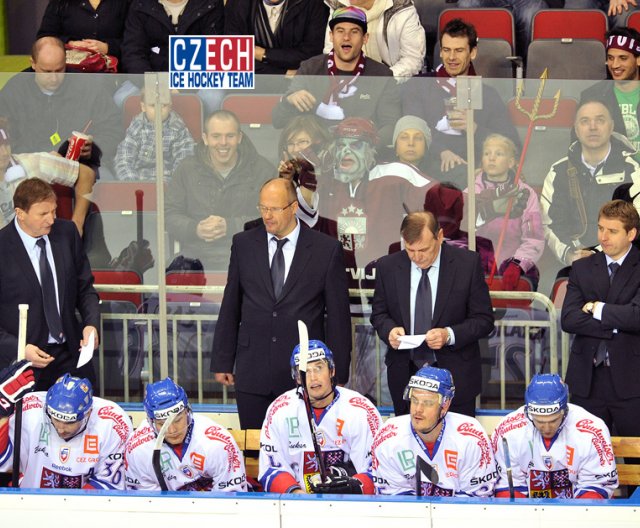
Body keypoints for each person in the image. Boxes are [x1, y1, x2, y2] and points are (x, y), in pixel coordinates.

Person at [211, 178, 351, 429]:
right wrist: (222, 359)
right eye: (262, 208)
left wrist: (337, 371)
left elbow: (339, 317)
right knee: (255, 446)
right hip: (252, 370)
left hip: (304, 374)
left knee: (303, 449)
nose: (267, 215)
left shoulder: (325, 249)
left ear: (293, 207)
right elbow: (231, 303)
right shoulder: (243, 244)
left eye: (274, 209)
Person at [370, 211, 494, 417]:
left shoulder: (467, 264)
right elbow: (379, 314)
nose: (417, 257)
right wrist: (390, 330)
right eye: (410, 250)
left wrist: (449, 335)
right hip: (405, 376)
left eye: (424, 249)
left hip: (455, 377)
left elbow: (484, 319)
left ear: (440, 236)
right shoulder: (388, 267)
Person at [0, 178, 100, 390]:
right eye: (43, 214)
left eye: (53, 211)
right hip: (21, 365)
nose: (51, 219)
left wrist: (91, 324)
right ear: (20, 213)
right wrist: (19, 349)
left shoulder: (67, 234)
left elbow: (85, 288)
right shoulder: (2, 248)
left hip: (70, 355)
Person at [402, 18, 520, 188]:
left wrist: (475, 129)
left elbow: (510, 142)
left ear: (472, 53)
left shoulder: (487, 94)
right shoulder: (419, 85)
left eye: (458, 50)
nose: (451, 57)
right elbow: (408, 129)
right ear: (440, 52)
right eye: (446, 50)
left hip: (474, 172)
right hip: (426, 166)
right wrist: (441, 151)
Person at [561, 200, 640, 440]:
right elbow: (569, 319)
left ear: (632, 234)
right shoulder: (582, 267)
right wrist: (616, 324)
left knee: (636, 458)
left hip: (632, 381)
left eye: (612, 231)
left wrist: (596, 308)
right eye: (600, 228)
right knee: (584, 455)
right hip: (586, 380)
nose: (603, 237)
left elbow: (637, 317)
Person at [259, 340, 381, 494]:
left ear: (332, 371)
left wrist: (352, 488)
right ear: (297, 378)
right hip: (297, 505)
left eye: (318, 368)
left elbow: (377, 470)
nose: (313, 377)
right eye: (305, 371)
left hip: (349, 503)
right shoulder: (280, 410)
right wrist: (298, 496)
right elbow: (271, 468)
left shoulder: (361, 410)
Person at [312, 117, 432, 268]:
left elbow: (451, 205)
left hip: (386, 280)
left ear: (371, 151)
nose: (346, 151)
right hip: (341, 280)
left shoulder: (396, 174)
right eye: (341, 145)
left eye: (355, 145)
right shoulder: (325, 183)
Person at [271, 6, 402, 146]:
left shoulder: (382, 75)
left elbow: (390, 126)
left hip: (359, 154)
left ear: (365, 38)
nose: (346, 37)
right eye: (340, 31)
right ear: (331, 36)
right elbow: (278, 121)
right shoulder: (310, 68)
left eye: (354, 32)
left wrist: (363, 147)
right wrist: (288, 100)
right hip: (315, 153)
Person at [165, 110, 275, 270]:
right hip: (194, 255)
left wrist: (232, 227)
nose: (223, 142)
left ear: (239, 137)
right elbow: (169, 214)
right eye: (216, 136)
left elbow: (273, 217)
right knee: (165, 284)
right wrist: (195, 229)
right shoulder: (186, 169)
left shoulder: (263, 171)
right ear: (205, 138)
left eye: (230, 136)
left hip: (248, 253)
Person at [541, 99, 640, 267]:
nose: (592, 127)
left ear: (611, 126)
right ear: (576, 129)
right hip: (575, 264)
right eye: (585, 121)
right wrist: (570, 255)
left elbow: (635, 224)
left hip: (622, 265)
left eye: (600, 120)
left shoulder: (633, 170)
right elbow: (551, 223)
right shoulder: (558, 172)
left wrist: (597, 254)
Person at [0, 37, 122, 171]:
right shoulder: (14, 91)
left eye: (59, 70)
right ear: (33, 63)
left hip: (82, 166)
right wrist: (40, 158)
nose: (53, 78)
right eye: (46, 71)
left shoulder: (88, 86)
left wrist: (95, 148)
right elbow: (4, 137)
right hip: (28, 167)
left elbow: (114, 129)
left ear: (66, 62)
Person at [371, 366, 496, 496]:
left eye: (428, 403)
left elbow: (479, 504)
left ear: (445, 405)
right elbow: (393, 506)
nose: (418, 409)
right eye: (414, 400)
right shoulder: (389, 436)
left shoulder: (472, 437)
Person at [0, 370, 133, 489]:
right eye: (56, 419)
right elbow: (2, 460)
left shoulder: (112, 422)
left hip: (85, 507)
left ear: (88, 413)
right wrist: (2, 412)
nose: (61, 428)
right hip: (31, 500)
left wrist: (71, 506)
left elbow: (108, 483)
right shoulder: (30, 410)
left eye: (70, 422)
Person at [492, 373, 617, 499]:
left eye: (553, 421)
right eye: (539, 422)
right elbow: (509, 487)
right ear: (528, 412)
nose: (546, 429)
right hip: (530, 510)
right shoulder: (508, 431)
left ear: (564, 411)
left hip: (576, 510)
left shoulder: (592, 430)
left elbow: (595, 486)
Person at [125, 377, 246, 491]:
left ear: (188, 412)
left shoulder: (217, 443)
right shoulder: (138, 448)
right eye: (162, 424)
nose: (172, 430)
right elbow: (146, 503)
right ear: (151, 422)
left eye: (177, 420)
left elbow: (231, 500)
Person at [0, 117, 96, 236]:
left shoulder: (32, 163)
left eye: (6, 145)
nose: (4, 152)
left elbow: (86, 174)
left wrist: (76, 225)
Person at [473, 134, 544, 290]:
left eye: (499, 154)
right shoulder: (470, 192)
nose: (491, 158)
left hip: (511, 269)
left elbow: (534, 238)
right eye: (487, 153)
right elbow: (459, 235)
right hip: (476, 269)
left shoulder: (526, 193)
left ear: (511, 162)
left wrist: (517, 264)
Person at [322, 0, 426, 79]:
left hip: (391, 82)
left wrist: (381, 80)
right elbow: (330, 51)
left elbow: (413, 60)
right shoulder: (339, 6)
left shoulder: (402, 9)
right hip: (348, 81)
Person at [224, 0, 329, 77]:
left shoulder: (313, 4)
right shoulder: (237, 4)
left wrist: (263, 54)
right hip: (254, 80)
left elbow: (311, 54)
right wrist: (284, 73)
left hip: (300, 81)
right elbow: (232, 57)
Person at [579, 27, 640, 157]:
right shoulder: (592, 95)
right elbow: (579, 146)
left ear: (638, 60)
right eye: (611, 58)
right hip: (612, 174)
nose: (615, 65)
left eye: (623, 58)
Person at [121, 0, 224, 73]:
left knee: (212, 97)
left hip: (197, 79)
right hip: (151, 77)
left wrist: (180, 87)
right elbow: (133, 52)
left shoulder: (211, 4)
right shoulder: (140, 5)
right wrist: (152, 85)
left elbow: (213, 53)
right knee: (123, 97)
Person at [114, 89, 195, 182]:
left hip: (167, 181)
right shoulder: (136, 128)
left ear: (170, 106)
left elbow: (184, 159)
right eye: (153, 105)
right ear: (143, 107)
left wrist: (175, 184)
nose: (158, 110)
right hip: (138, 180)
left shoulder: (178, 129)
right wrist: (132, 184)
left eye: (163, 105)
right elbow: (123, 159)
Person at [37, 0, 131, 63]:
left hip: (115, 77)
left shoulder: (126, 3)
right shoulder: (60, 2)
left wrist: (107, 48)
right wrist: (70, 44)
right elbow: (45, 38)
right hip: (69, 75)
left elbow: (136, 43)